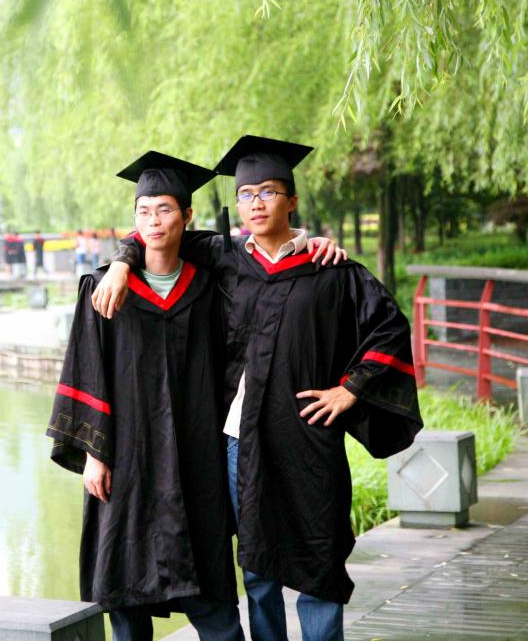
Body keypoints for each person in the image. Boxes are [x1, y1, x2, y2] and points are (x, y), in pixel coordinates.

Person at [95, 135, 422, 641]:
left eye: (268, 192)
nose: (256, 203)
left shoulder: (330, 268)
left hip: (308, 436)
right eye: (246, 195)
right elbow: (156, 231)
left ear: (291, 200)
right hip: (239, 439)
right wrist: (120, 262)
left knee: (319, 554)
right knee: (257, 562)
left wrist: (351, 390)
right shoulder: (225, 257)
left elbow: (390, 327)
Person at [47, 151, 244, 641]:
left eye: (165, 210)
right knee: (127, 600)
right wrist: (94, 453)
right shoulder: (104, 290)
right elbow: (86, 367)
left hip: (195, 457)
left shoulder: (209, 287)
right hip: (127, 460)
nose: (154, 221)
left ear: (187, 216)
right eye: (144, 211)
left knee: (215, 606)